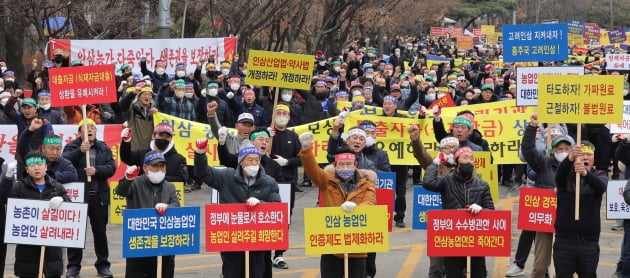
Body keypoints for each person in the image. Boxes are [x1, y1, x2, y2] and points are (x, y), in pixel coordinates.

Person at [194, 139, 281, 278]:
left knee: (255, 273)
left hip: (257, 240)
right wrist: (200, 154)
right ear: (241, 162)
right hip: (231, 239)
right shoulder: (226, 176)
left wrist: (260, 204)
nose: (254, 164)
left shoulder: (269, 182)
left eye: (257, 160)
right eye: (250, 160)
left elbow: (276, 208)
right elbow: (204, 173)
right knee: (232, 273)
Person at [298, 131, 376, 278]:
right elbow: (312, 169)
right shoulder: (326, 181)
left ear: (355, 164)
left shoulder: (367, 184)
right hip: (331, 246)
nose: (345, 167)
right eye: (341, 164)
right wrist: (306, 148)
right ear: (335, 165)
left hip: (356, 247)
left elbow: (371, 203)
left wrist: (357, 208)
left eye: (348, 164)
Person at [509, 114, 572, 277]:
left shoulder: (577, 169)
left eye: (566, 149)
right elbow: (528, 151)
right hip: (544, 217)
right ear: (553, 149)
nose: (563, 152)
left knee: (565, 264)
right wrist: (531, 127)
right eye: (559, 149)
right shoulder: (544, 163)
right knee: (540, 267)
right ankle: (521, 264)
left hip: (567, 220)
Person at [423, 147, 494, 278]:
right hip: (453, 240)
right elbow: (428, 183)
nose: (469, 161)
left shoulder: (483, 185)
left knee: (478, 274)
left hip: (475, 241)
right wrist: (435, 163)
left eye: (471, 158)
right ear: (457, 162)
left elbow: (492, 213)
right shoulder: (446, 181)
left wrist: (482, 210)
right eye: (465, 157)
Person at [62, 118, 116, 278]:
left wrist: (97, 170)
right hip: (78, 196)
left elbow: (111, 167)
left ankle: (103, 265)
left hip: (98, 196)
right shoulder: (72, 146)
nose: (90, 130)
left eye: (92, 127)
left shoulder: (103, 148)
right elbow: (64, 162)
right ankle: (73, 266)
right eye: (86, 127)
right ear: (79, 133)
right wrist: (80, 150)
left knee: (100, 232)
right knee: (75, 233)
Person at [2, 151, 70, 278]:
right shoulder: (19, 187)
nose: (37, 167)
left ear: (46, 167)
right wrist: (8, 177)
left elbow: (70, 212)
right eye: (32, 165)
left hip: (51, 247)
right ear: (27, 169)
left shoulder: (57, 187)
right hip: (27, 249)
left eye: (40, 164)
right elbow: (4, 199)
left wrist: (63, 202)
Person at [115, 151, 181, 278]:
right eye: (155, 166)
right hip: (139, 244)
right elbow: (121, 191)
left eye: (162, 166)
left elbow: (176, 206)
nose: (159, 169)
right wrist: (127, 179)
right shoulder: (135, 183)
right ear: (145, 167)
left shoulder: (169, 187)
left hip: (163, 245)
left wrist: (168, 207)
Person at [553, 141, 607, 277]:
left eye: (589, 154)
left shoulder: (600, 174)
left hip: (589, 242)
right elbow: (558, 177)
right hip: (564, 240)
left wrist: (585, 173)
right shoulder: (567, 175)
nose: (585, 157)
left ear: (593, 158)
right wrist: (569, 158)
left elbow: (601, 187)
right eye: (581, 154)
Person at [120, 122, 188, 184]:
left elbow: (182, 179)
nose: (164, 138)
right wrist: (126, 142)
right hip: (144, 195)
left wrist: (157, 178)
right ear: (153, 136)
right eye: (161, 135)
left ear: (171, 139)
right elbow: (126, 157)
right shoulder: (141, 154)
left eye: (167, 137)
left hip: (168, 195)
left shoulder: (179, 159)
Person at [119, 84, 156, 151]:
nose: (147, 96)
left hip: (149, 149)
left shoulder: (155, 112)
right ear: (139, 97)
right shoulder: (132, 109)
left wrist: (157, 113)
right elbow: (122, 105)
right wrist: (132, 93)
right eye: (144, 94)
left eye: (149, 95)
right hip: (134, 148)